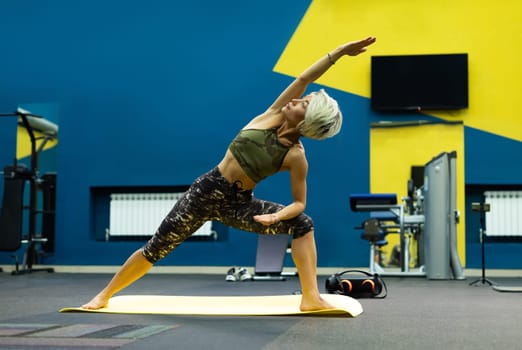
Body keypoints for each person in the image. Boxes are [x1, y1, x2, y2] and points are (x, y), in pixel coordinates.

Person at [82, 36, 376, 311]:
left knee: (303, 224)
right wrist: (338, 53)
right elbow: (304, 78)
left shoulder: (296, 156)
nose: (296, 100)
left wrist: (276, 217)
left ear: (307, 120)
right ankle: (104, 295)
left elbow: (299, 203)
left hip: (238, 205)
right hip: (205, 191)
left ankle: (310, 297)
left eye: (304, 104)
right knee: (156, 248)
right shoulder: (273, 114)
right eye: (301, 98)